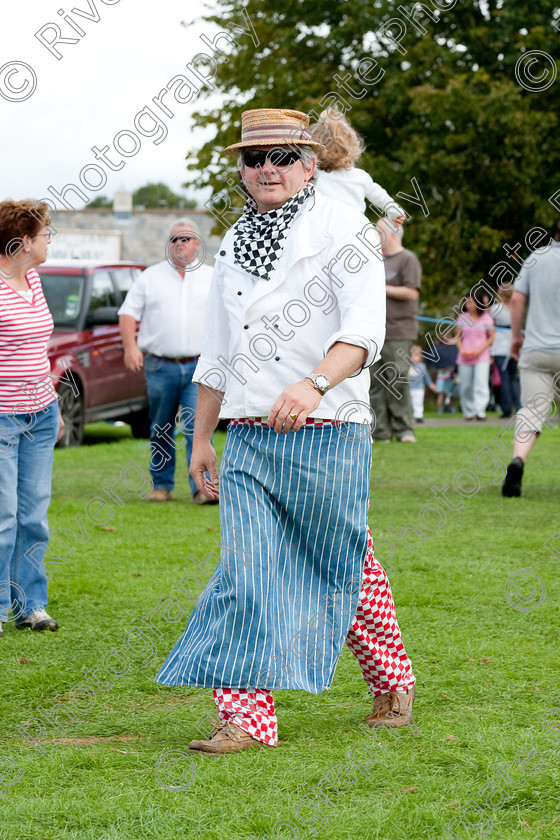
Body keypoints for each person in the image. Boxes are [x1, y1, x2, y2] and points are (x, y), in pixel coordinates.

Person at [155, 108, 416, 754]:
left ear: (308, 164)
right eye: (253, 158)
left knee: (344, 564)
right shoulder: (234, 243)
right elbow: (217, 353)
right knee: (246, 572)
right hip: (246, 433)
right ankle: (246, 718)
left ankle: (391, 677)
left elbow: (363, 331)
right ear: (241, 171)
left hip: (328, 427)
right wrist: (202, 439)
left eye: (280, 156)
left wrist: (315, 384)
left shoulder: (344, 229)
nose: (266, 168)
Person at [0, 199, 63, 636]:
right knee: (2, 515)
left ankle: (30, 604)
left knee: (32, 515)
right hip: (3, 415)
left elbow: (39, 347)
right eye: (44, 234)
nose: (48, 240)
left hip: (41, 412)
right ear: (21, 243)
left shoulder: (33, 279)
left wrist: (52, 402)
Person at [118, 220, 213, 504]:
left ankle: (201, 488)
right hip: (160, 365)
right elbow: (127, 313)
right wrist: (130, 347)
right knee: (162, 426)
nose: (179, 244)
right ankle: (161, 485)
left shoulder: (212, 276)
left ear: (197, 243)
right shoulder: (150, 276)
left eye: (185, 239)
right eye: (173, 240)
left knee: (198, 427)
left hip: (199, 365)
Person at [502, 224, 560, 497]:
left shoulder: (536, 257)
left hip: (536, 349)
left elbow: (516, 299)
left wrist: (516, 338)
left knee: (531, 411)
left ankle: (518, 460)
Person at [369, 220, 422, 443]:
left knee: (397, 380)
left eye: (377, 230)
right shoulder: (374, 259)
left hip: (399, 331)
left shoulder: (407, 259)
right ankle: (380, 432)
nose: (374, 234)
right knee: (373, 383)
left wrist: (381, 285)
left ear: (390, 234)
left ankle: (404, 430)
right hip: (374, 331)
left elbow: (412, 293)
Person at [313, 110, 406, 221]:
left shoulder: (313, 176)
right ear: (351, 146)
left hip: (325, 228)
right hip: (355, 229)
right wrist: (396, 213)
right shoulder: (360, 176)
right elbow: (380, 197)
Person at [455, 291, 494, 421]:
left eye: (471, 301)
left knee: (481, 384)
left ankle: (480, 411)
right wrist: (461, 349)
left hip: (481, 356)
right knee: (465, 386)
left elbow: (491, 337)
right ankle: (468, 412)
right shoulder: (462, 317)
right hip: (464, 357)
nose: (469, 304)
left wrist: (479, 350)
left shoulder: (487, 318)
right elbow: (458, 336)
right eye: (467, 302)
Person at [490, 285, 521, 419]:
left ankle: (506, 409)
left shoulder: (496, 308)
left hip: (500, 348)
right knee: (514, 378)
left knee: (505, 378)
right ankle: (519, 407)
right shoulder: (516, 308)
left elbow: (490, 324)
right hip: (514, 347)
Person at [409, 345, 436, 423]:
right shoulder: (407, 366)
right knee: (409, 403)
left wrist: (431, 384)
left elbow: (426, 377)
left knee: (418, 402)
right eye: (412, 356)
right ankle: (408, 417)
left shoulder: (422, 366)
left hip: (419, 388)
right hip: (409, 388)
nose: (414, 358)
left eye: (416, 356)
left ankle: (418, 416)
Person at [434, 334, 458, 413]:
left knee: (449, 393)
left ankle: (449, 408)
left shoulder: (452, 349)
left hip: (451, 373)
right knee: (444, 392)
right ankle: (441, 409)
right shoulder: (440, 349)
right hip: (444, 373)